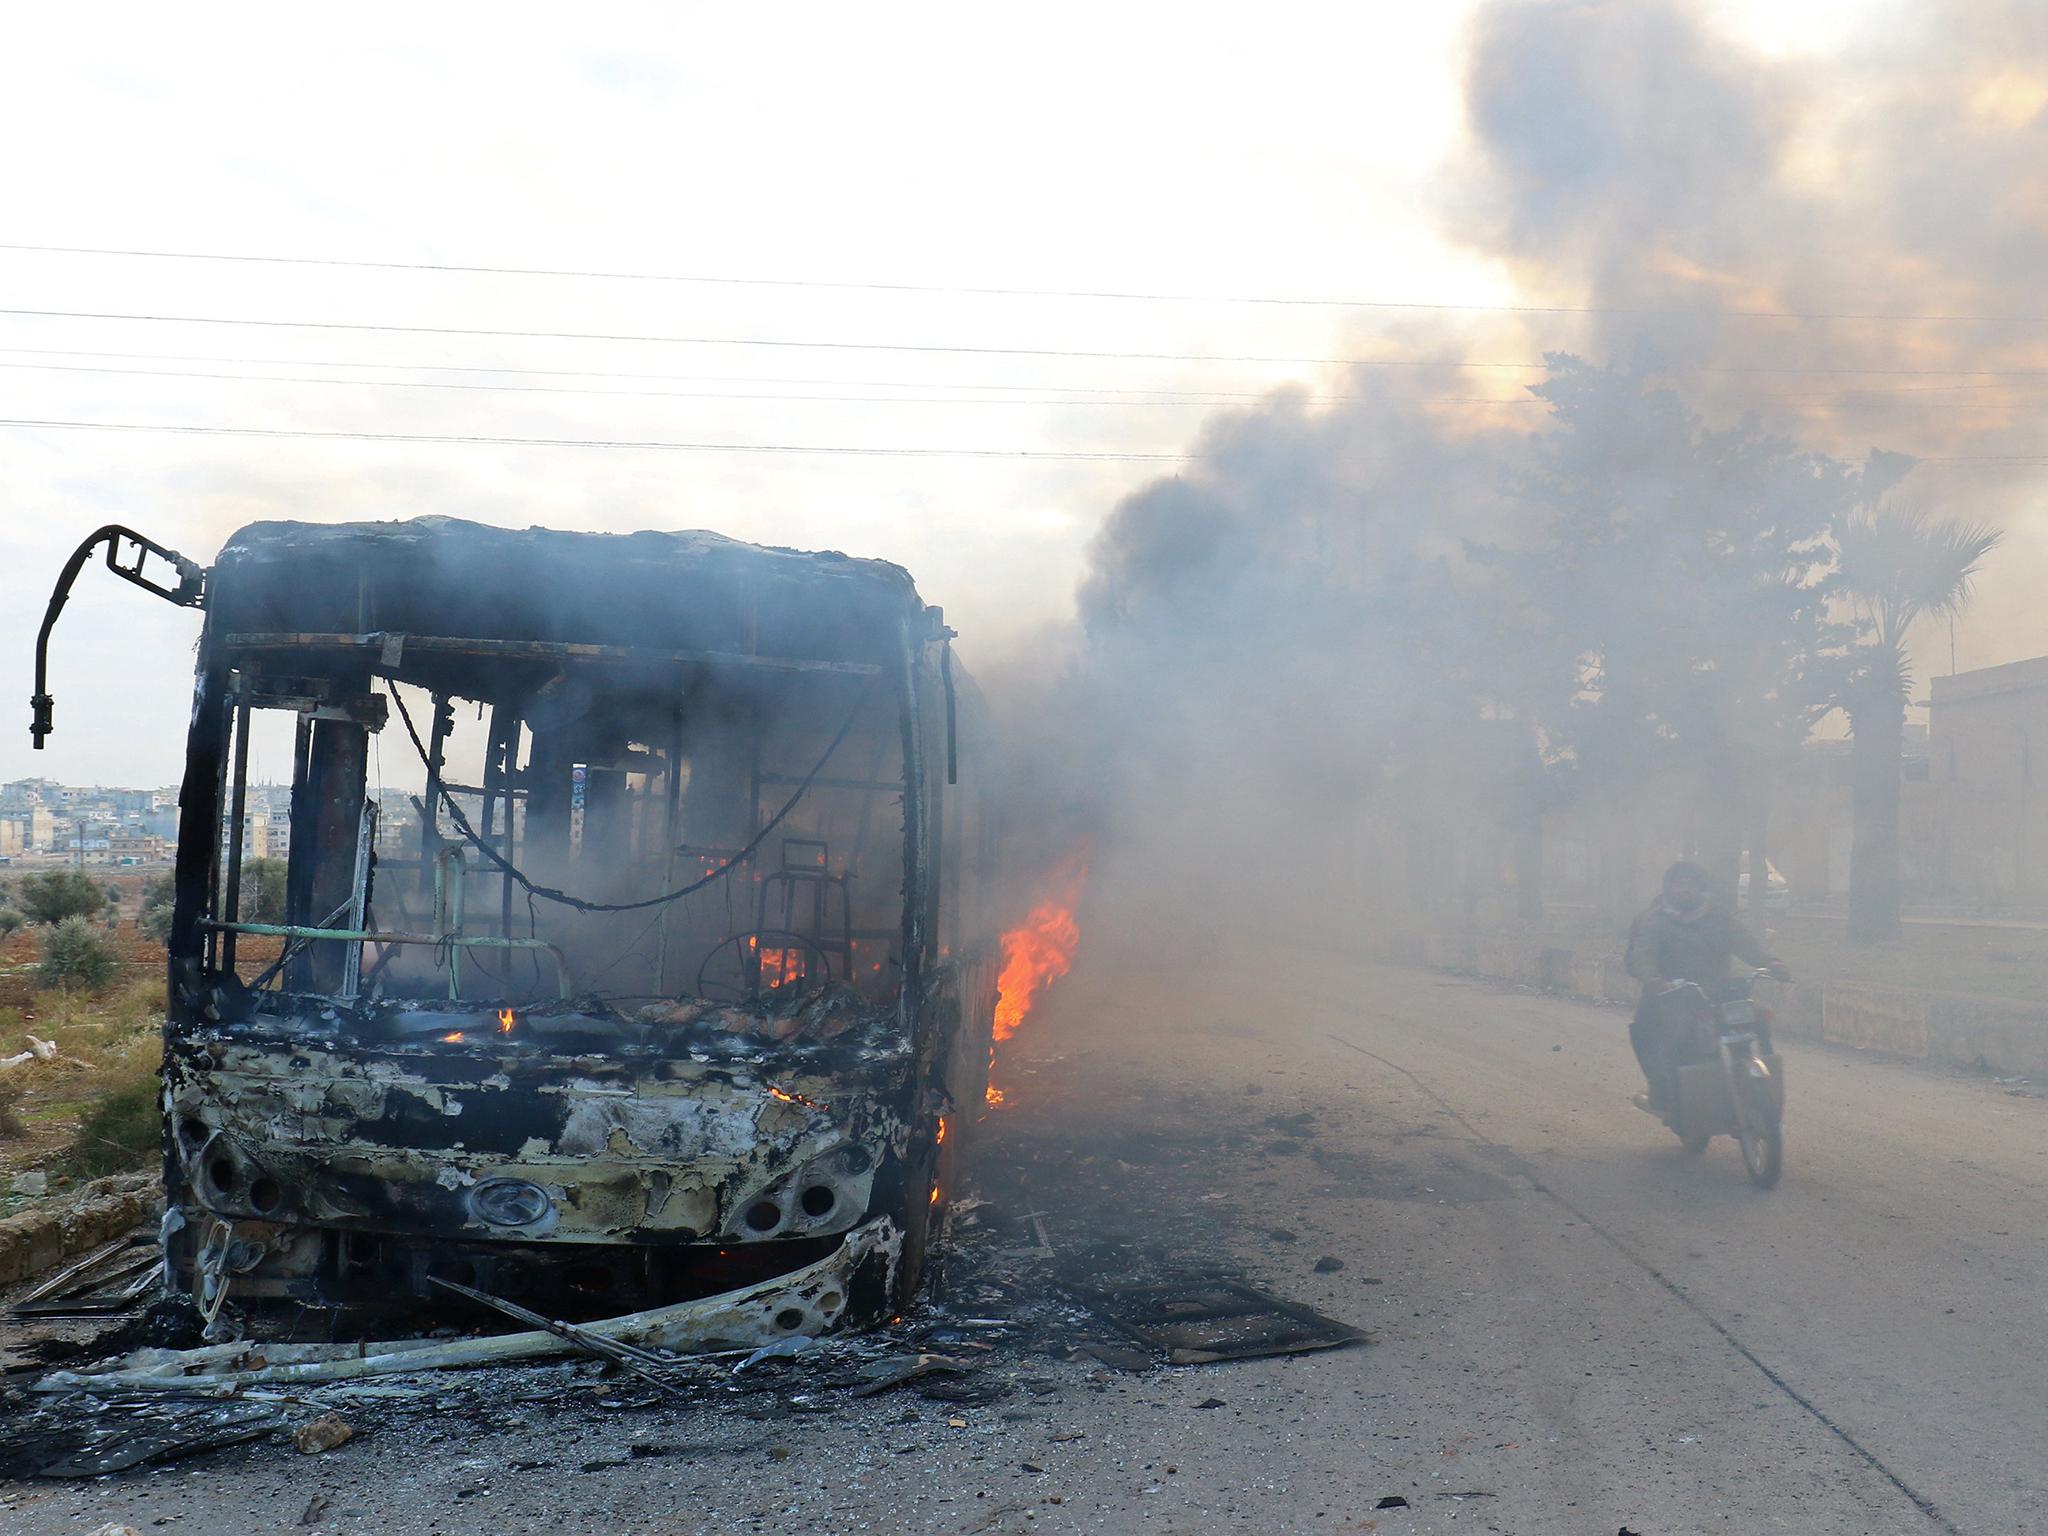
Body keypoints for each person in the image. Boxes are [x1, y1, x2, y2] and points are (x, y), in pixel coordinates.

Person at [1624, 860, 1787, 1111]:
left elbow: (1745, 942)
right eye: (1679, 885)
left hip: (1718, 991)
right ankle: (1663, 1091)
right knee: (1646, 1031)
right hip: (1671, 994)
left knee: (1758, 1021)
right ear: (1669, 888)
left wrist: (1772, 962)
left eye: (1691, 884)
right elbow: (1642, 953)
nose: (1685, 890)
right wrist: (1652, 979)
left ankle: (1757, 1080)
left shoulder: (1718, 916)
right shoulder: (1656, 920)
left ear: (1701, 888)